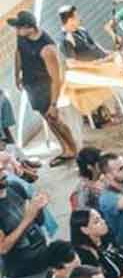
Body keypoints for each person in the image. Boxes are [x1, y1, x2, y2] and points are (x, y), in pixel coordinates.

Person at [9, 11, 77, 166]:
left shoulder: (47, 49)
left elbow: (56, 79)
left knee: (55, 119)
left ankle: (73, 150)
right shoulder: (22, 36)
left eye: (19, 28)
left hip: (45, 87)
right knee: (48, 119)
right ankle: (64, 148)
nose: (16, 31)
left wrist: (53, 105)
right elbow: (18, 52)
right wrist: (16, 74)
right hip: (31, 85)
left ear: (30, 28)